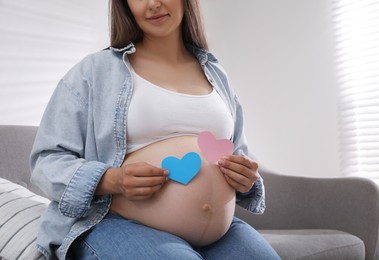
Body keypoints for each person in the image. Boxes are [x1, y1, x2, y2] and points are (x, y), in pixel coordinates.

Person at [30, 0, 281, 259]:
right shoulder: (95, 71)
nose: (153, 4)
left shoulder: (216, 74)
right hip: (117, 222)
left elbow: (239, 154)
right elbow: (46, 161)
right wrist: (112, 179)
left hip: (221, 235)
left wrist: (246, 178)